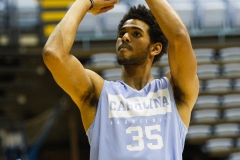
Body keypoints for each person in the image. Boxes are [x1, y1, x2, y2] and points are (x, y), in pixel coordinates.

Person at [42, 0, 199, 159]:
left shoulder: (174, 90)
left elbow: (179, 36)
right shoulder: (99, 94)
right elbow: (53, 54)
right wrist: (85, 2)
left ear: (155, 48)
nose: (124, 37)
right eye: (121, 33)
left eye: (136, 33)